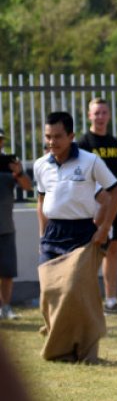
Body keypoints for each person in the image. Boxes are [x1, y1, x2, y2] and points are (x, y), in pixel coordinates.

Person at [34, 111, 117, 362]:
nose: (52, 142)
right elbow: (42, 200)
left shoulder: (90, 161)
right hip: (52, 234)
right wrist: (42, 233)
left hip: (82, 232)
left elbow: (114, 192)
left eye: (58, 137)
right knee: (48, 292)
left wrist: (104, 228)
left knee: (73, 290)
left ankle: (81, 348)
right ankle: (59, 339)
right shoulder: (41, 165)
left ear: (71, 136)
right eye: (48, 137)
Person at [77, 98, 117, 315]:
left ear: (109, 115)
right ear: (89, 116)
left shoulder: (115, 144)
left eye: (104, 112)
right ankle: (85, 300)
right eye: (96, 113)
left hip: (115, 205)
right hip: (93, 207)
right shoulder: (83, 143)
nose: (100, 117)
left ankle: (111, 302)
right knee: (91, 253)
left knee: (113, 252)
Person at [0, 128, 33, 320]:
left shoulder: (8, 164)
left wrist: (19, 172)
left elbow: (28, 187)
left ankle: (6, 307)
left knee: (7, 270)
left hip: (5, 226)